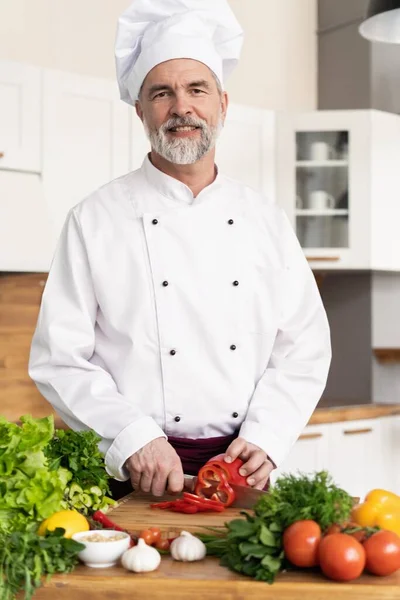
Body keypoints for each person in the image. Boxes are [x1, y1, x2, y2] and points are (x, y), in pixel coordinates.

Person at [29, 0, 331, 500]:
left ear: (222, 104)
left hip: (238, 469)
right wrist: (133, 437)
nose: (181, 107)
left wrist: (268, 437)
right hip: (133, 473)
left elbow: (303, 346)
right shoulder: (95, 218)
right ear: (140, 110)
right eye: (162, 93)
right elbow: (59, 357)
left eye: (197, 89)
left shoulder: (265, 221)